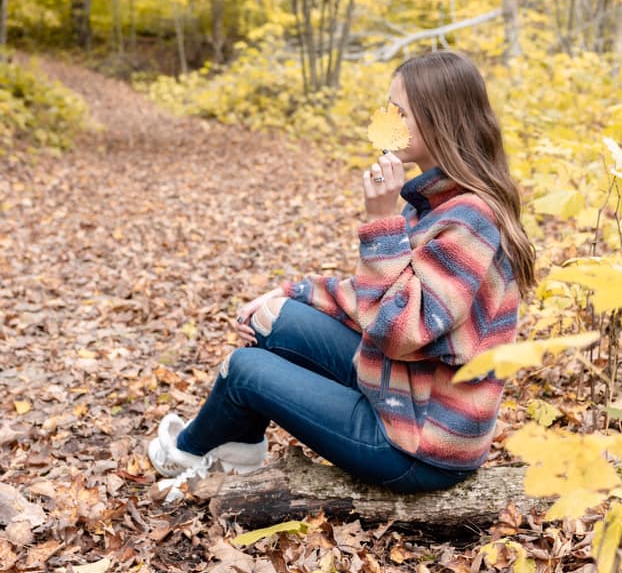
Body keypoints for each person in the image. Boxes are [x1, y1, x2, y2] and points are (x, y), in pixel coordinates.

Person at [148, 51, 535, 501]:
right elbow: (374, 296)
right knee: (272, 319)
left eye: (399, 112)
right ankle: (238, 448)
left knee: (244, 369)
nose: (386, 121)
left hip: (420, 444)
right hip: (403, 390)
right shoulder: (435, 202)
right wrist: (293, 292)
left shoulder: (469, 220)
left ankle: (188, 452)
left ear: (440, 120)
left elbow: (399, 330)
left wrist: (380, 221)